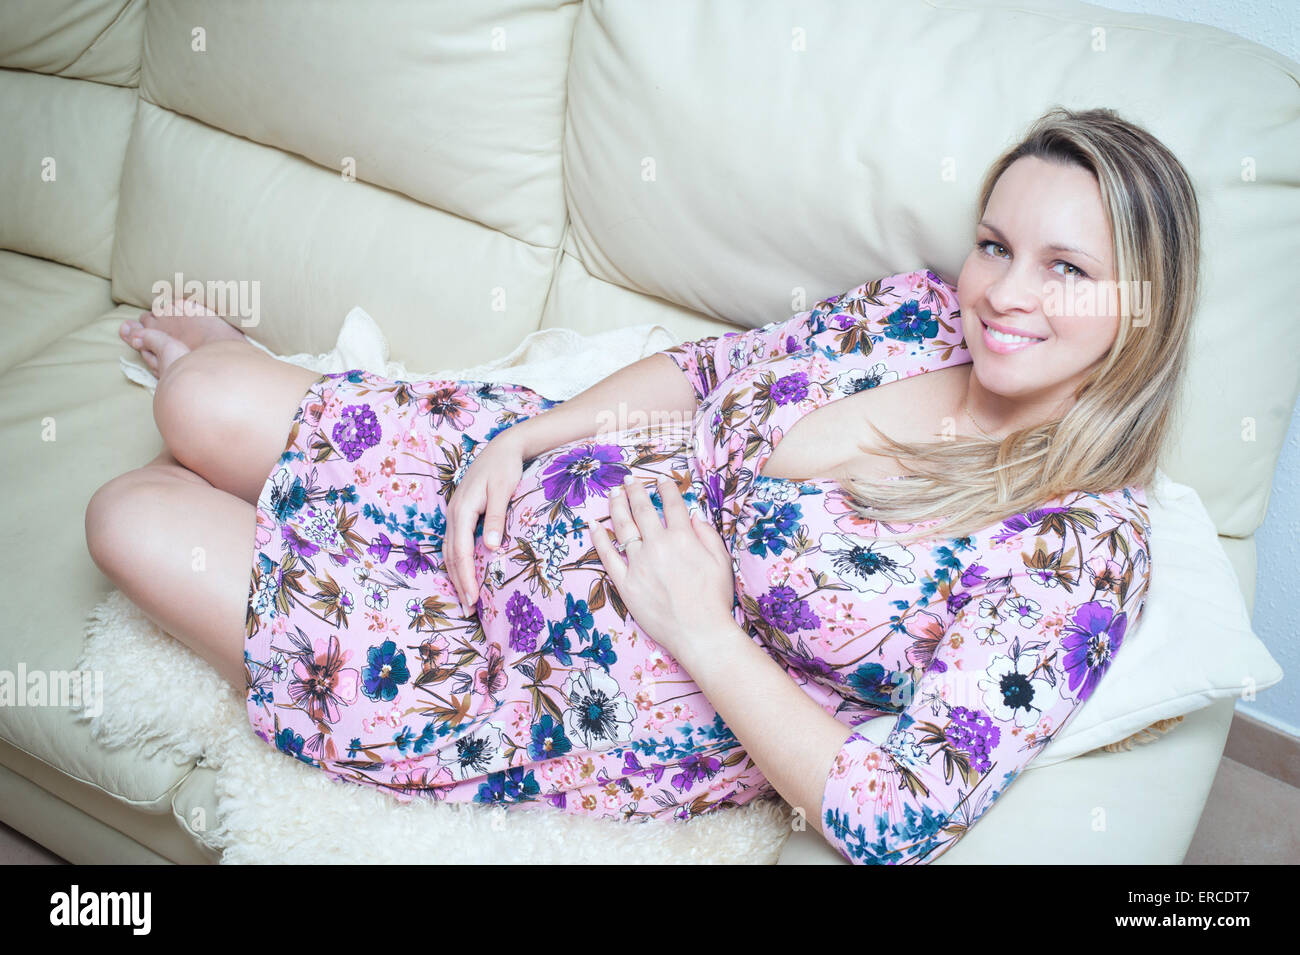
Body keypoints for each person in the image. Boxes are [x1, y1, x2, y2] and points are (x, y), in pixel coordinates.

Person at [85, 105, 1200, 864]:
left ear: (1142, 301)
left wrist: (706, 629)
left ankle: (301, 548)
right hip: (532, 485)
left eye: (1067, 269)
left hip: (531, 677)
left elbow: (892, 815)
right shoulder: (914, 317)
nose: (1003, 292)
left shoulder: (1080, 548)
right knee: (192, 403)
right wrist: (527, 441)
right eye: (995, 245)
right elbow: (711, 369)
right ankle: (266, 414)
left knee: (125, 518)